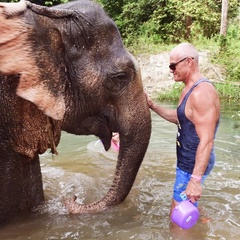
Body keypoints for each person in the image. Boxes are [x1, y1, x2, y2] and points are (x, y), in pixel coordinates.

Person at [145, 43, 220, 217]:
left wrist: (195, 180)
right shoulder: (188, 89)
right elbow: (182, 119)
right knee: (187, 210)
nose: (171, 70)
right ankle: (203, 220)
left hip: (192, 164)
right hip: (187, 161)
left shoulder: (202, 94)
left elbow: (207, 140)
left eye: (173, 65)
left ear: (189, 62)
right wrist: (153, 106)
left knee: (178, 216)